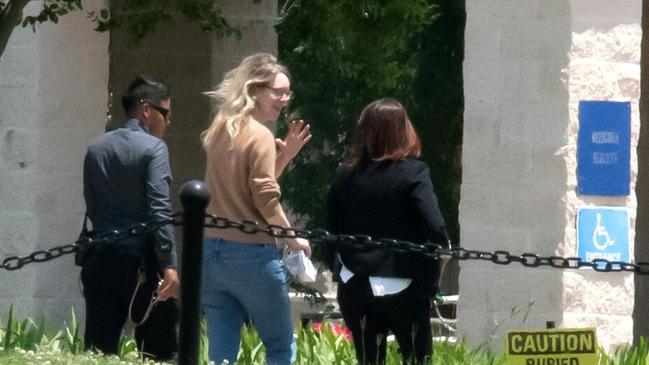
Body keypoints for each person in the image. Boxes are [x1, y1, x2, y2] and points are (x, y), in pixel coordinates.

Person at [200, 53, 312, 365]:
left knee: (220, 354)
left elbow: (246, 189)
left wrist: (285, 155)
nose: (284, 100)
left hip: (211, 253)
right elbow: (263, 197)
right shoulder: (261, 135)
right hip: (252, 255)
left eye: (287, 93)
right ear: (255, 90)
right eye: (278, 92)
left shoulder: (221, 128)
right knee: (279, 345)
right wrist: (292, 238)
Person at [325, 98, 449, 365]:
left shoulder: (345, 176)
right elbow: (434, 224)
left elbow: (330, 232)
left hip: (354, 283)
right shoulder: (413, 172)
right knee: (416, 358)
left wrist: (337, 268)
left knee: (368, 360)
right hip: (402, 283)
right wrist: (436, 262)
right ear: (403, 130)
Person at [81, 76, 179, 360]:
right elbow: (159, 209)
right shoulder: (154, 149)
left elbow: (92, 205)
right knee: (157, 351)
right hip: (143, 266)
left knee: (98, 350)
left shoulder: (96, 148)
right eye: (166, 113)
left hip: (99, 257)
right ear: (146, 111)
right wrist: (169, 265)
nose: (168, 122)